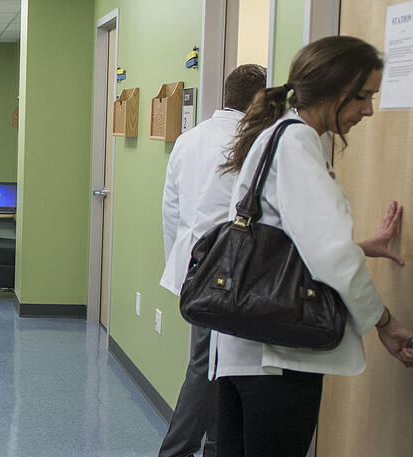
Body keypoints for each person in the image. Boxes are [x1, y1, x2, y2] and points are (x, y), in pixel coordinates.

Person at [210, 36, 413, 456]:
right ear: (333, 91)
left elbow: (286, 242)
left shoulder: (275, 136)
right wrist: (384, 321)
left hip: (243, 347)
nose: (369, 110)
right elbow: (328, 256)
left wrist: (360, 246)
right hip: (277, 357)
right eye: (362, 97)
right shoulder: (297, 144)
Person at [156, 63, 267, 457]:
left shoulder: (190, 139)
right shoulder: (252, 142)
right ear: (257, 100)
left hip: (193, 268)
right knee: (207, 366)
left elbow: (170, 208)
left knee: (221, 366)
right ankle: (175, 450)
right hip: (228, 275)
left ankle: (217, 447)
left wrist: (181, 265)